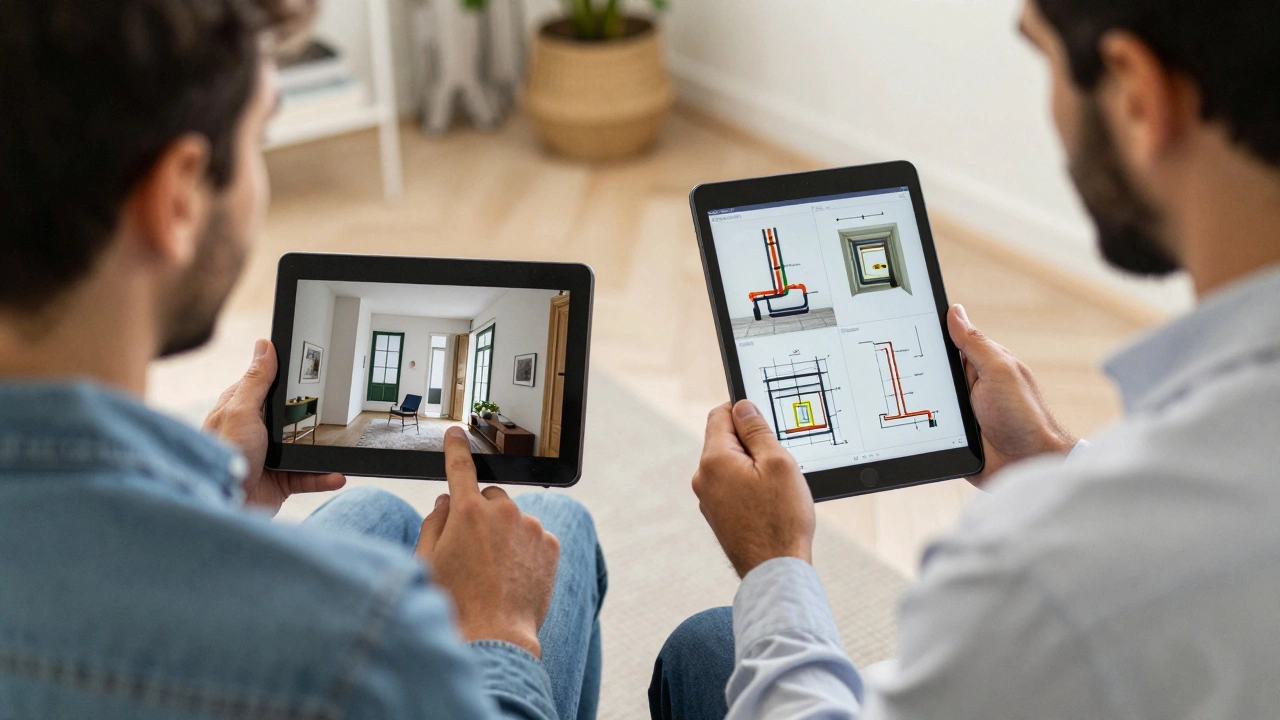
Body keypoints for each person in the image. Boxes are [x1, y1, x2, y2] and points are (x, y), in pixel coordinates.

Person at [651, 0, 1280, 717]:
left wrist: (774, 563)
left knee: (706, 649)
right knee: (710, 645)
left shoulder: (1041, 577)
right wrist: (1052, 460)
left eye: (1043, 57)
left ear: (1137, 92)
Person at [0, 2, 604, 718]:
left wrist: (219, 499)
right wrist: (499, 632)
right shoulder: (363, 649)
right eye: (263, 133)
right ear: (179, 197)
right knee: (553, 521)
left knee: (373, 508)